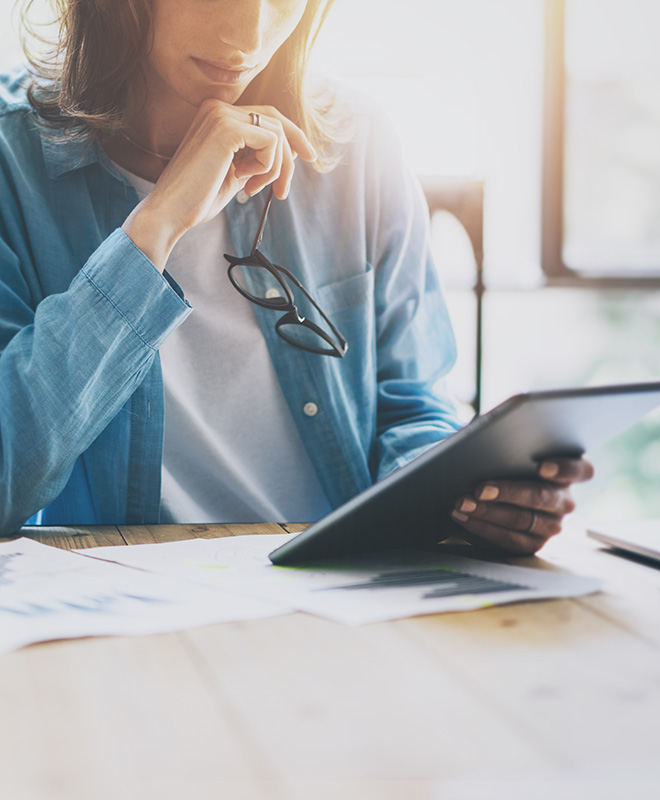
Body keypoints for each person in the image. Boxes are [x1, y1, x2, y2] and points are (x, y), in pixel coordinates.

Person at [0, 0, 593, 554]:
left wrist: (466, 493)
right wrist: (155, 226)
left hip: (335, 593)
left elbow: (410, 408)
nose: (249, 36)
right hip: (123, 612)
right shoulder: (11, 162)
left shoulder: (358, 146)